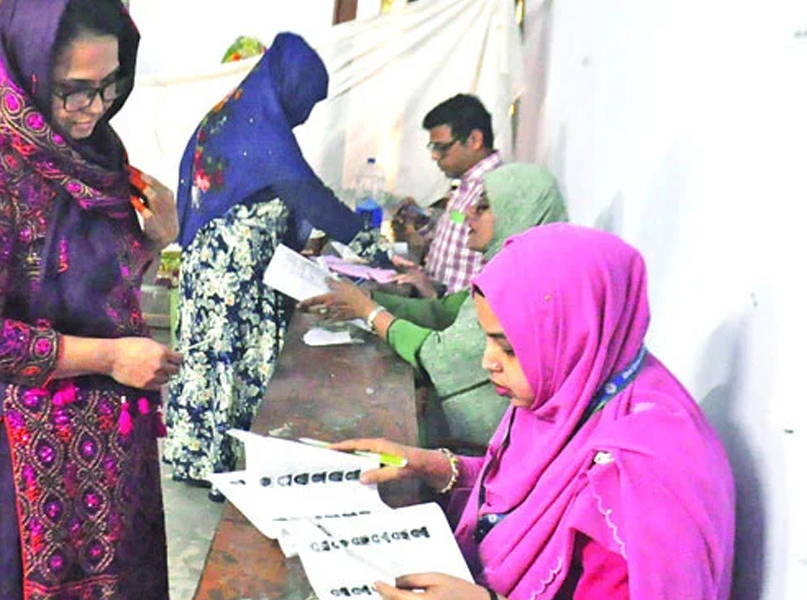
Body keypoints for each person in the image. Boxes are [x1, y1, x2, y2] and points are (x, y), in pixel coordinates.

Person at [0, 0, 181, 598]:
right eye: (75, 90)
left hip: (110, 439)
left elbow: (88, 280)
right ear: (28, 74)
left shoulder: (96, 153)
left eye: (109, 85)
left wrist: (157, 235)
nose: (96, 108)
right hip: (26, 453)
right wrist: (112, 356)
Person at [332, 224, 736, 599]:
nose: (488, 362)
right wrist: (438, 467)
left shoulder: (641, 480)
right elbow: (526, 493)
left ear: (576, 332)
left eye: (509, 347)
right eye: (488, 341)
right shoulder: (576, 388)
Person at [165, 32, 390, 497]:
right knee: (233, 362)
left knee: (209, 362)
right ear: (290, 86)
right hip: (234, 278)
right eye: (306, 99)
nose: (305, 113)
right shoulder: (262, 131)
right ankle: (225, 473)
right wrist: (376, 252)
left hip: (212, 270)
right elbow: (311, 196)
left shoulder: (236, 113)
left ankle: (201, 458)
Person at [302, 164, 567, 449]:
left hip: (479, 444)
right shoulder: (501, 268)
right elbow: (442, 311)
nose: (468, 215)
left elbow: (441, 355)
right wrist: (367, 297)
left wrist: (368, 312)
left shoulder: (521, 285)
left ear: (518, 212)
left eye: (483, 208)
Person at [392, 93, 502, 296]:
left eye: (442, 148)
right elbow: (458, 220)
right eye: (433, 148)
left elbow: (489, 286)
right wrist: (420, 220)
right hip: (433, 297)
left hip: (452, 314)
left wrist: (433, 294)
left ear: (474, 140)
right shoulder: (466, 184)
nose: (434, 156)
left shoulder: (496, 191)